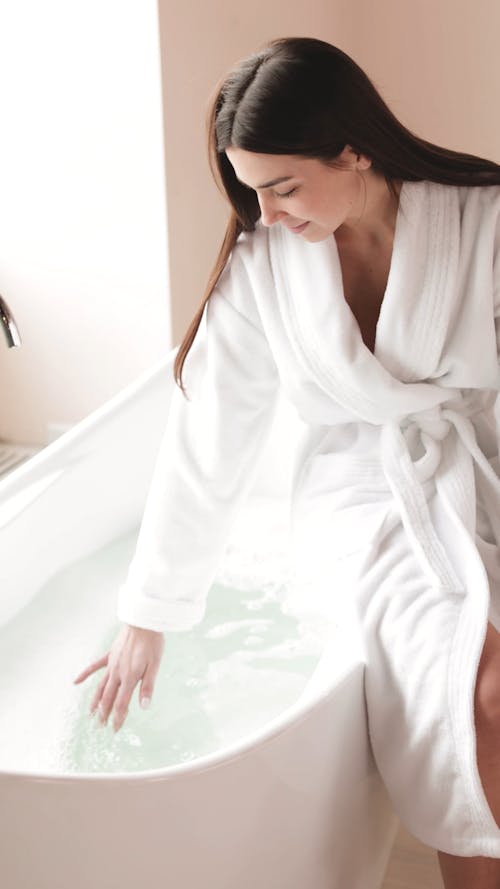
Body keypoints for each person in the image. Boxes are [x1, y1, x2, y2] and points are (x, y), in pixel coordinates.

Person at [74, 36, 500, 887]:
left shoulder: (482, 218)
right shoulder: (267, 264)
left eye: (282, 186)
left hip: (482, 460)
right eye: (251, 191)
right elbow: (210, 438)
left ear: (353, 149)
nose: (266, 216)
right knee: (480, 689)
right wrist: (150, 610)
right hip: (365, 492)